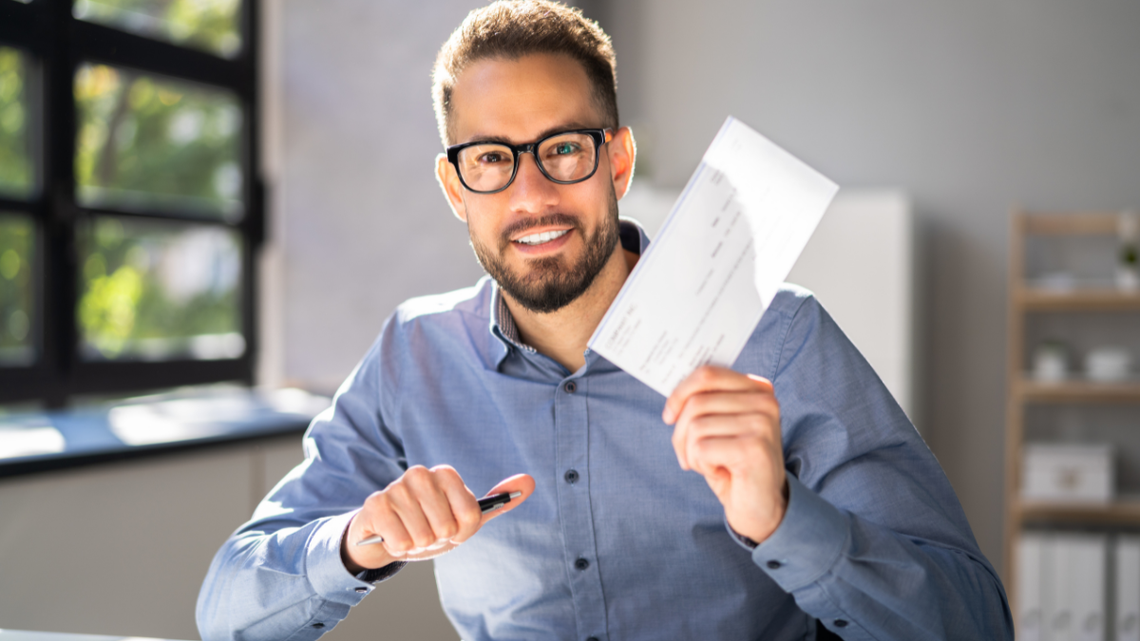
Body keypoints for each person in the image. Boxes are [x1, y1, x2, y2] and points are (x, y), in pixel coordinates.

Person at [197, 2, 1012, 639]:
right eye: (490, 158)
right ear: (455, 189)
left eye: (563, 148)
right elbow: (225, 609)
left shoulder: (780, 337)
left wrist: (783, 517)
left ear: (617, 159)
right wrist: (350, 541)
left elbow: (973, 625)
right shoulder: (413, 357)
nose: (531, 196)